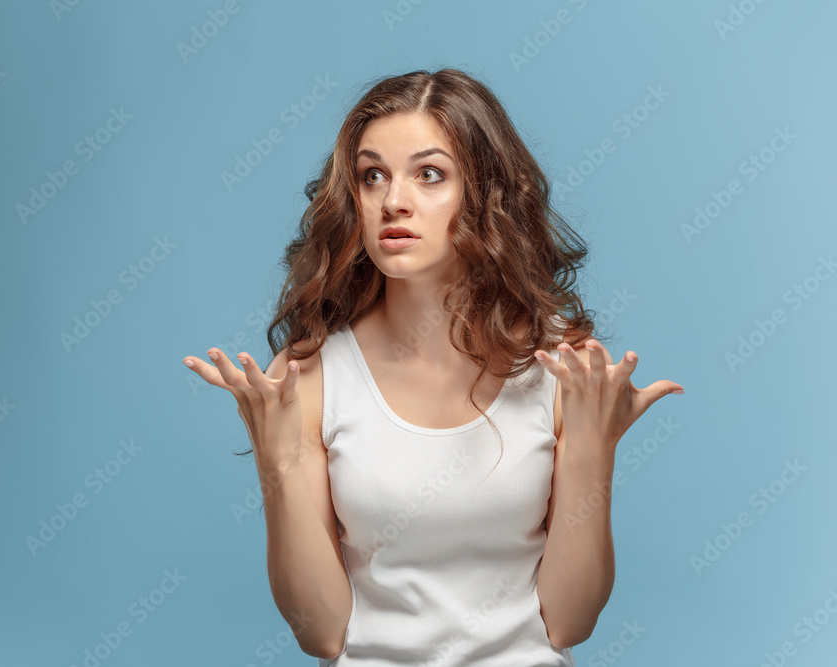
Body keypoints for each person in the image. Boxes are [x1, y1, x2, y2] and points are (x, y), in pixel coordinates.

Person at [182, 67, 683, 665]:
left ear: (485, 193)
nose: (394, 200)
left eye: (429, 174)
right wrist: (275, 456)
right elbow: (322, 634)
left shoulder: (561, 366)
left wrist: (593, 450)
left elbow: (568, 623)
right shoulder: (309, 373)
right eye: (372, 176)